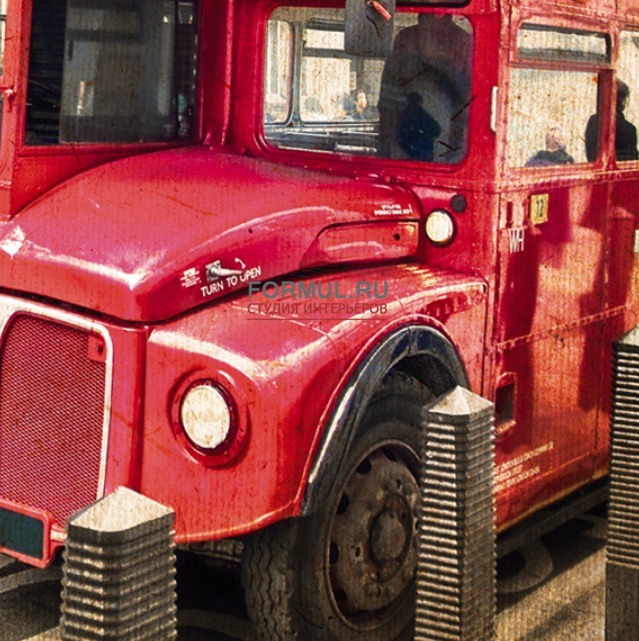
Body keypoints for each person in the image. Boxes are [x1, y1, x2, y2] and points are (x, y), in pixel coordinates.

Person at [378, 13, 472, 161]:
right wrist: (386, 149)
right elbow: (388, 100)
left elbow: (469, 101)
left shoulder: (463, 42)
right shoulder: (405, 38)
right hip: (405, 141)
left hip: (448, 145)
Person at [585, 79, 638, 162]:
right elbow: (630, 160)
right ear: (622, 101)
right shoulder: (629, 129)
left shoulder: (593, 121)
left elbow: (590, 153)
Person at [397, 92, 441, 161]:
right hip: (420, 153)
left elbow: (436, 130)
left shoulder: (406, 116)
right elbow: (436, 131)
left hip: (416, 153)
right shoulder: (423, 116)